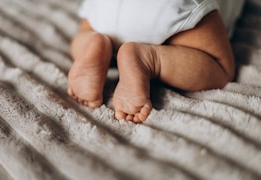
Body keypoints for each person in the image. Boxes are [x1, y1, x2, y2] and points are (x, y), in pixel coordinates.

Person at [68, 0, 245, 123]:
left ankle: (93, 42)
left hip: (107, 6)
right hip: (171, 6)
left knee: (88, 27)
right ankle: (149, 59)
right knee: (220, 66)